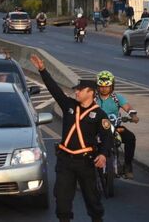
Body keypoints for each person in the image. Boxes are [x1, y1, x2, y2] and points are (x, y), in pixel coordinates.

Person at [30, 54, 112, 222]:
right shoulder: (69, 105)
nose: (76, 92)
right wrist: (42, 70)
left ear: (90, 92)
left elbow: (107, 137)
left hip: (86, 163)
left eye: (79, 90)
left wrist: (103, 155)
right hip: (65, 161)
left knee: (92, 200)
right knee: (62, 202)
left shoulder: (99, 115)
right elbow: (54, 90)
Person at [95, 71, 139, 179]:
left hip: (115, 128)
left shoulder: (117, 97)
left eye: (107, 86)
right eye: (101, 86)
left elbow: (127, 107)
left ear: (112, 86)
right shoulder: (93, 98)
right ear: (97, 86)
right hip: (96, 130)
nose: (104, 89)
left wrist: (133, 115)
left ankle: (128, 166)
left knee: (130, 138)